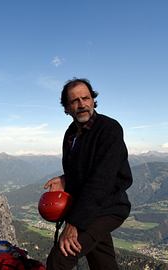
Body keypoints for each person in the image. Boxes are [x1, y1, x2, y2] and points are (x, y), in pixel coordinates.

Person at [43, 78, 132, 269]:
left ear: (93, 100)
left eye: (86, 98)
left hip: (107, 207)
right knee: (102, 261)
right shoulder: (71, 133)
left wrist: (74, 224)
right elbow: (85, 169)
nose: (82, 104)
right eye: (75, 101)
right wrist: (65, 179)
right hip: (88, 207)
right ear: (66, 108)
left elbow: (102, 179)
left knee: (61, 255)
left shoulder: (109, 129)